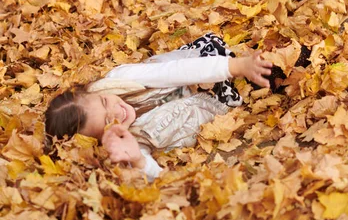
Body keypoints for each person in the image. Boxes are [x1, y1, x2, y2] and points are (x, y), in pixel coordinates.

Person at [45, 33, 275, 181]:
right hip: (217, 104)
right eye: (108, 121)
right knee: (272, 80)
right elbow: (157, 176)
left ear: (96, 92)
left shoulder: (120, 80)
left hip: (208, 66)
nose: (116, 111)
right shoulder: (126, 142)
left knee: (269, 62)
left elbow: (176, 72)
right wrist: (138, 161)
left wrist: (236, 66)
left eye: (105, 102)